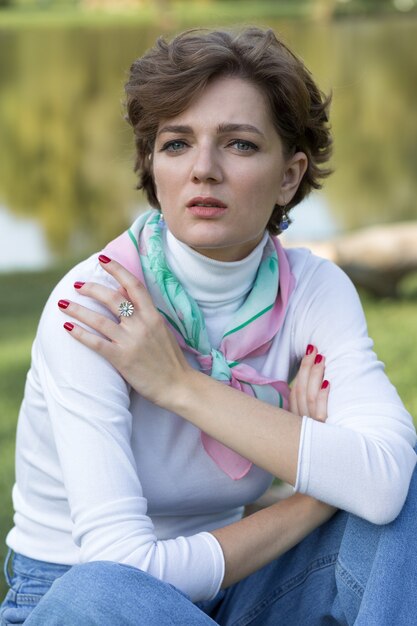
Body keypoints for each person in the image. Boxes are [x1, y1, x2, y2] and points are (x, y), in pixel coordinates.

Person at [1, 26, 416, 626]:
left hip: (241, 590)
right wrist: (311, 499)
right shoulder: (98, 303)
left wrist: (180, 386)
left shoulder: (312, 291)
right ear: (151, 163)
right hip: (87, 604)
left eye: (240, 145)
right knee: (100, 594)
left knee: (406, 503)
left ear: (289, 176)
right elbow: (122, 568)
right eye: (176, 144)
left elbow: (383, 482)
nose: (203, 170)